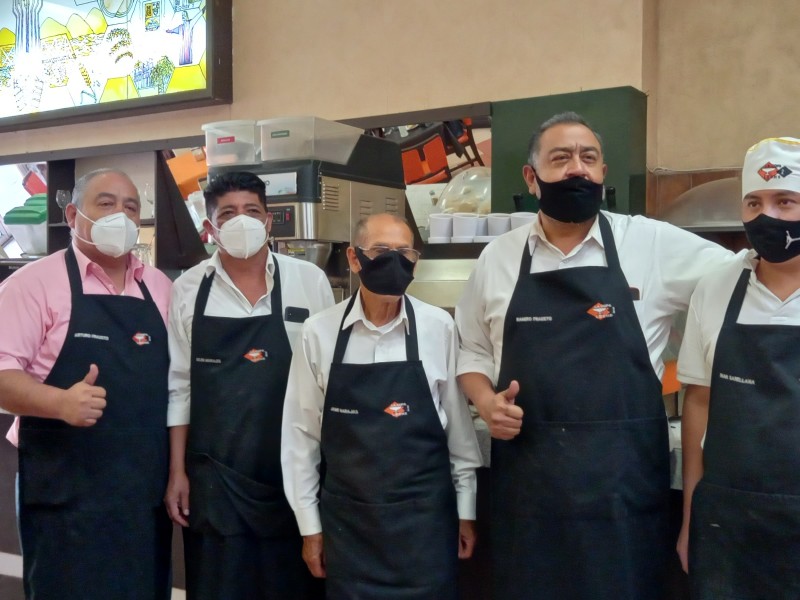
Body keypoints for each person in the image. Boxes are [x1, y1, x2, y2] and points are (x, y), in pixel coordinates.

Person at [455, 111, 735, 599]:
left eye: (588, 158)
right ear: (532, 176)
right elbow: (470, 349)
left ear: (603, 173)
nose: (576, 170)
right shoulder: (497, 257)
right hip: (529, 488)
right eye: (560, 158)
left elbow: (743, 278)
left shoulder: (652, 242)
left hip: (622, 491)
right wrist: (484, 401)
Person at [281, 213, 483, 599]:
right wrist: (310, 527)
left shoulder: (438, 327)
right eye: (380, 251)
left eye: (404, 252)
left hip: (425, 525)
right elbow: (300, 437)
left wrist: (467, 510)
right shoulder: (319, 333)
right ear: (354, 259)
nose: (394, 261)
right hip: (350, 528)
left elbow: (458, 432)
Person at [0, 168, 173, 599]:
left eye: (131, 207)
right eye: (106, 203)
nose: (121, 214)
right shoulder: (32, 284)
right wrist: (60, 403)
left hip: (142, 490)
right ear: (74, 214)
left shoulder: (161, 287)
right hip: (64, 491)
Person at [165, 171, 333, 599]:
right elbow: (180, 387)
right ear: (210, 227)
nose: (242, 221)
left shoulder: (308, 281)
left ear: (269, 220)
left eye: (251, 211)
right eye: (228, 213)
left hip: (294, 476)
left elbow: (327, 379)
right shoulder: (186, 289)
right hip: (215, 479)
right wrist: (177, 471)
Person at [677, 137, 800, 598]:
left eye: (785, 200)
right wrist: (691, 516)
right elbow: (699, 402)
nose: (767, 215)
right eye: (755, 202)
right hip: (727, 523)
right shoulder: (717, 288)